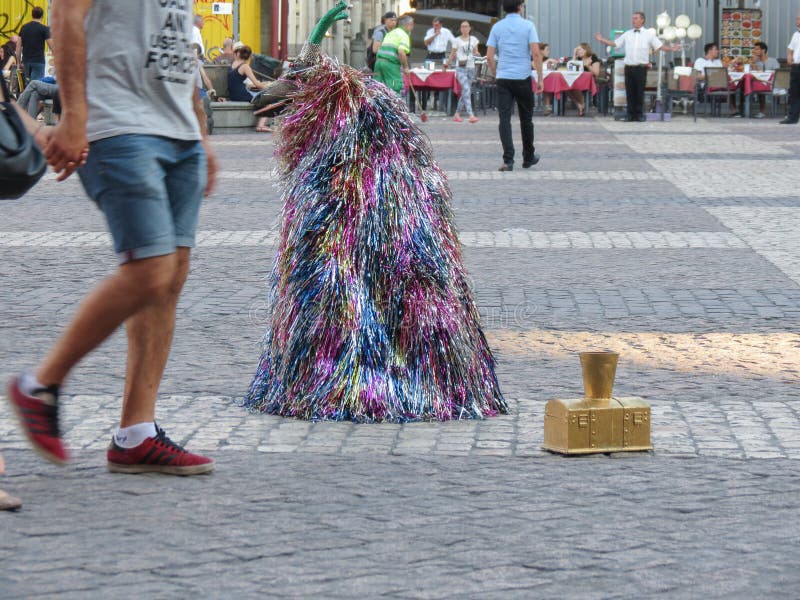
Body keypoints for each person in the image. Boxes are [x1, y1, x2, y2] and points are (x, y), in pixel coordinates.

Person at [7, 0, 217, 476]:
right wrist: (75, 115)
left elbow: (176, 40)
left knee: (168, 281)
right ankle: (39, 386)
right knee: (150, 270)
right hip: (119, 126)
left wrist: (200, 131)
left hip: (178, 131)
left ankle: (135, 434)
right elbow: (65, 14)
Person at [486, 0, 542, 172]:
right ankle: (528, 156)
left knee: (504, 119)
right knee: (526, 119)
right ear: (520, 7)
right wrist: (540, 78)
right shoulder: (528, 26)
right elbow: (536, 53)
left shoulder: (497, 27)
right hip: (523, 77)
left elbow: (489, 56)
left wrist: (496, 73)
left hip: (504, 77)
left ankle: (508, 159)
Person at [595, 12, 678, 122]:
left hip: (641, 67)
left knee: (639, 91)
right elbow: (615, 44)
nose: (633, 20)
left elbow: (660, 46)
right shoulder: (627, 34)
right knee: (629, 92)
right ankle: (630, 115)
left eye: (636, 18)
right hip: (629, 67)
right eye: (633, 18)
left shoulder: (649, 34)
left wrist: (672, 48)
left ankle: (639, 115)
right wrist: (602, 39)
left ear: (642, 20)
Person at [228, 44, 272, 132]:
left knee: (258, 97)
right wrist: (269, 86)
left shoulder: (233, 65)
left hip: (233, 94)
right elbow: (257, 84)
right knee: (269, 103)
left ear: (238, 54)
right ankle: (261, 125)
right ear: (248, 57)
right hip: (240, 94)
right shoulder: (245, 67)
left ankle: (260, 122)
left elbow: (236, 81)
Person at [447, 20, 481, 123]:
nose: (464, 28)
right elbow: (452, 54)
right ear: (460, 29)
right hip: (460, 67)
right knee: (466, 88)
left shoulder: (474, 39)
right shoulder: (456, 40)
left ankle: (457, 114)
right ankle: (471, 115)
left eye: (466, 26)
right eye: (462, 26)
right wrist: (447, 63)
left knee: (466, 91)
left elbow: (475, 51)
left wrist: (478, 54)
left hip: (471, 67)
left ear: (470, 28)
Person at [373, 15, 414, 96]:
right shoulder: (404, 35)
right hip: (390, 65)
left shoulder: (391, 33)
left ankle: (376, 108)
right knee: (394, 89)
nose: (412, 28)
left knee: (377, 89)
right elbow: (401, 52)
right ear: (408, 25)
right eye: (412, 25)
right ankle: (395, 108)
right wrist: (406, 67)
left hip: (378, 63)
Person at [16, 6, 51, 83]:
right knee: (35, 87)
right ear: (42, 16)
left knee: (27, 87)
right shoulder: (44, 29)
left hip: (26, 62)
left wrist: (18, 63)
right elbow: (51, 45)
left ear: (32, 15)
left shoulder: (24, 28)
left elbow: (18, 47)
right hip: (38, 62)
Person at [567, 42, 600, 116]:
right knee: (567, 87)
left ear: (586, 50)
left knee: (576, 86)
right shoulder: (578, 58)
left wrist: (588, 66)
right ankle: (580, 105)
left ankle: (581, 106)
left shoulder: (593, 57)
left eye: (580, 50)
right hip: (578, 80)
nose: (578, 52)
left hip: (589, 81)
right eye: (577, 50)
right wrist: (574, 55)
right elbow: (571, 70)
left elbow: (596, 73)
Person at [749, 41, 780, 119]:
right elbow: (752, 73)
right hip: (760, 83)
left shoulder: (773, 60)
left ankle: (762, 111)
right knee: (757, 86)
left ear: (763, 50)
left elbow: (778, 73)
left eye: (757, 49)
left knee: (759, 87)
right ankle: (761, 111)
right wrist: (753, 62)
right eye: (754, 49)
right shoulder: (756, 61)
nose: (755, 51)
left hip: (772, 83)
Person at [782, 13, 800, 125]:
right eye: (797, 18)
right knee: (794, 93)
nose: (796, 21)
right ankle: (792, 117)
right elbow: (790, 48)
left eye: (799, 18)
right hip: (796, 67)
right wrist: (789, 56)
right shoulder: (795, 34)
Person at [535, 42, 557, 115]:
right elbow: (535, 67)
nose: (549, 52)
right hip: (533, 81)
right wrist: (547, 62)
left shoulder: (547, 59)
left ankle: (547, 106)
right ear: (541, 51)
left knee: (548, 83)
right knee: (547, 84)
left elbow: (553, 68)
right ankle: (547, 106)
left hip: (543, 81)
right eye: (547, 50)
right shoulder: (534, 58)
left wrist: (555, 64)